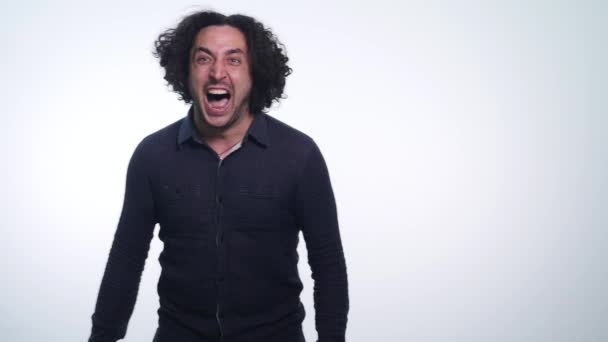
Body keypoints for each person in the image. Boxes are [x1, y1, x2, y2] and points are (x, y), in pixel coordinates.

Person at [88, 10, 349, 342]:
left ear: (255, 73)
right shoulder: (152, 156)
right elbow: (125, 262)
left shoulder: (299, 155)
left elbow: (328, 266)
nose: (217, 72)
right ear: (186, 69)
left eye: (234, 60)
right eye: (203, 59)